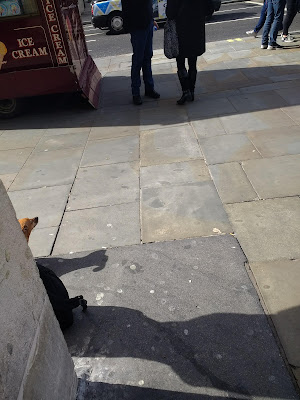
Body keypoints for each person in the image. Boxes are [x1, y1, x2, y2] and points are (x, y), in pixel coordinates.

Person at [166, 0, 213, 105]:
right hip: (197, 29)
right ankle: (191, 91)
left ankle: (185, 91)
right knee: (193, 63)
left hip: (181, 30)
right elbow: (210, 8)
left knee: (181, 63)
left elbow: (170, 13)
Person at [121, 0, 160, 105]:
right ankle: (136, 93)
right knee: (138, 60)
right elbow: (126, 8)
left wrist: (152, 20)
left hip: (148, 23)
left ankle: (149, 88)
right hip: (137, 27)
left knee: (147, 57)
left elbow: (148, 5)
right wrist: (129, 28)